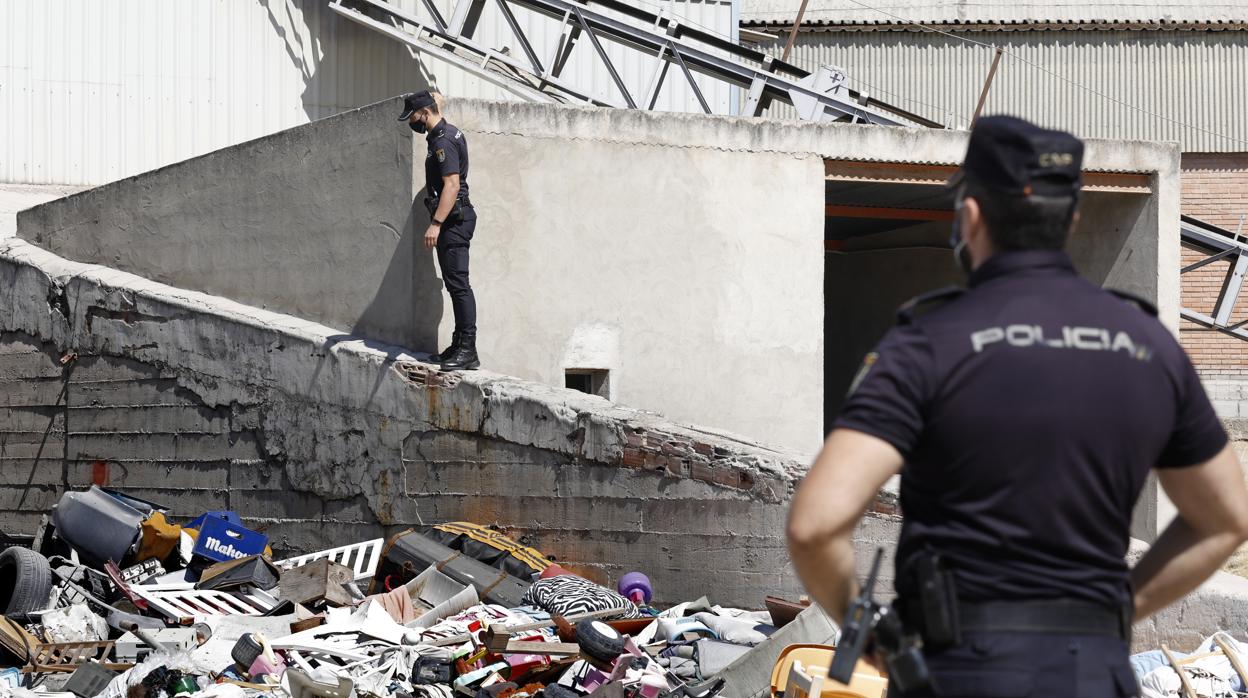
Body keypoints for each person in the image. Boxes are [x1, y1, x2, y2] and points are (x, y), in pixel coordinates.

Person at [786, 116, 1248, 697]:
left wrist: (868, 629)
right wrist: (1119, 607)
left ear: (971, 215)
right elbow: (1225, 519)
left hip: (961, 670)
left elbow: (814, 525)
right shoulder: (1147, 345)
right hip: (1094, 675)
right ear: (1071, 218)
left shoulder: (928, 343)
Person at [398, 90, 480, 371]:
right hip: (454, 220)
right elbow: (437, 98)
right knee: (454, 283)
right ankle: (459, 345)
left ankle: (468, 350)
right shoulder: (444, 132)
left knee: (459, 285)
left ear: (424, 112)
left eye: (413, 117)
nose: (412, 122)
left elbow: (452, 185)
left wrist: (435, 224)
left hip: (454, 222)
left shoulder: (443, 140)